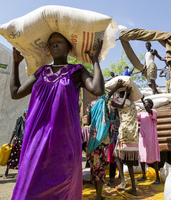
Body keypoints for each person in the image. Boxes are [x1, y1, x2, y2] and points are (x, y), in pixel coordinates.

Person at [9, 32, 104, 199]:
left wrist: (95, 60)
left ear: (69, 47)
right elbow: (15, 93)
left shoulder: (76, 71)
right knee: (30, 179)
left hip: (63, 140)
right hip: (36, 136)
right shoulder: (41, 71)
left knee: (63, 182)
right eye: (51, 42)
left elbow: (97, 89)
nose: (54, 44)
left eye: (59, 41)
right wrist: (15, 63)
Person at [108, 79, 139, 196]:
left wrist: (118, 89)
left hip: (124, 133)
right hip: (133, 135)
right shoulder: (132, 104)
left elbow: (109, 97)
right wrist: (126, 93)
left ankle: (123, 182)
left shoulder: (120, 101)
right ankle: (134, 188)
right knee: (129, 162)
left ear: (120, 94)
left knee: (117, 156)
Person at [86, 96, 114, 200]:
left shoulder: (91, 105)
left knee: (95, 167)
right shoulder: (107, 106)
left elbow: (88, 122)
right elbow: (112, 121)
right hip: (104, 139)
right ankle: (99, 195)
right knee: (101, 167)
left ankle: (98, 195)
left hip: (94, 139)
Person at [137, 97, 161, 185]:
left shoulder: (153, 111)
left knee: (153, 157)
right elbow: (135, 117)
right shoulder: (142, 114)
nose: (145, 104)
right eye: (144, 102)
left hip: (151, 138)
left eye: (147, 103)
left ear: (150, 104)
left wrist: (143, 101)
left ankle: (157, 178)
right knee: (142, 157)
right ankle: (144, 175)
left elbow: (148, 110)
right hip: (142, 138)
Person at [4, 109, 27, 178]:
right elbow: (14, 131)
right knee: (12, 156)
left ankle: (19, 174)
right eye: (26, 114)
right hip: (17, 141)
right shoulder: (20, 121)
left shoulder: (29, 122)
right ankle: (6, 173)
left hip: (23, 142)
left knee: (21, 158)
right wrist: (10, 141)